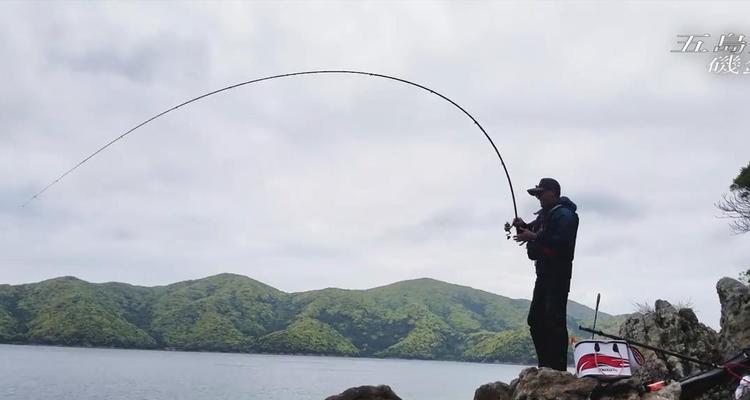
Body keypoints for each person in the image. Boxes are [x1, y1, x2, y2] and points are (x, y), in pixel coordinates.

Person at [512, 177, 579, 371]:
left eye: (541, 193)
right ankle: (545, 366)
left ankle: (557, 369)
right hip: (543, 274)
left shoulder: (566, 215)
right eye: (537, 194)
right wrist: (523, 225)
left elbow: (561, 242)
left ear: (553, 192)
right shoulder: (546, 215)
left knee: (554, 319)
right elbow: (535, 230)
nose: (539, 197)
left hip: (558, 275)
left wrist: (532, 236)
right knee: (536, 319)